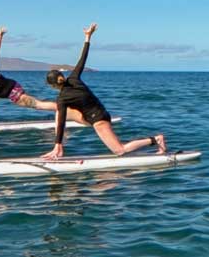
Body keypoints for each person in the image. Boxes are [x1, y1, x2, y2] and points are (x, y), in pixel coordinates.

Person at [40, 23, 166, 160]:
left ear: (52, 86)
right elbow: (82, 59)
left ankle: (156, 140)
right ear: (61, 76)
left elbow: (62, 123)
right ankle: (58, 147)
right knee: (61, 113)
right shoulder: (74, 77)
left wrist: (58, 144)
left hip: (99, 120)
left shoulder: (62, 98)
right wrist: (88, 37)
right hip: (100, 113)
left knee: (120, 151)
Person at [0, 27, 56, 127]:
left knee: (38, 105)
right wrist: (0, 36)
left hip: (15, 95)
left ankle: (61, 108)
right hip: (15, 85)